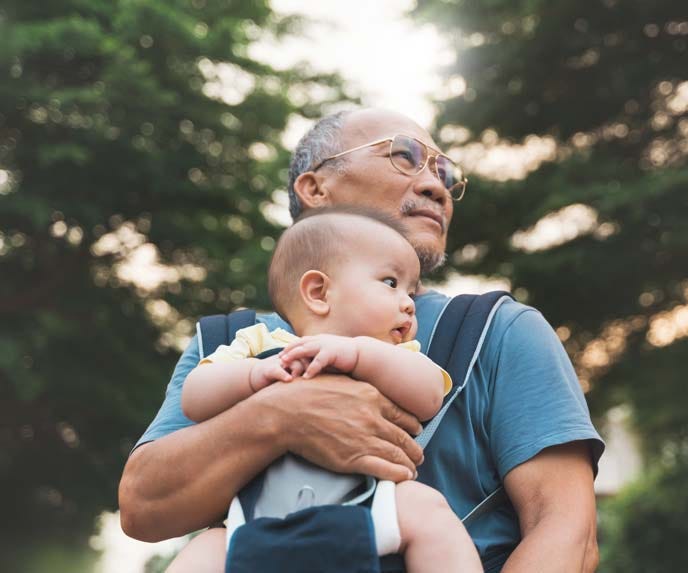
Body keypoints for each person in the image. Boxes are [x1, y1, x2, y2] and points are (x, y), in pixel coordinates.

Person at [119, 108, 604, 573]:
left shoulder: (501, 329)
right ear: (314, 186)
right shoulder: (227, 342)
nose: (438, 185)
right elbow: (143, 508)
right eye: (404, 155)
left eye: (446, 172)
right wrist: (281, 416)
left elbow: (566, 532)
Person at [180, 207, 481, 572]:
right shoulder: (257, 342)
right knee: (204, 550)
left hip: (369, 503)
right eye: (390, 282)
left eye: (411, 292)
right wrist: (254, 374)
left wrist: (357, 354)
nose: (408, 303)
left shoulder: (392, 356)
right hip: (256, 514)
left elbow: (431, 394)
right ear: (319, 292)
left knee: (430, 513)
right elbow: (194, 397)